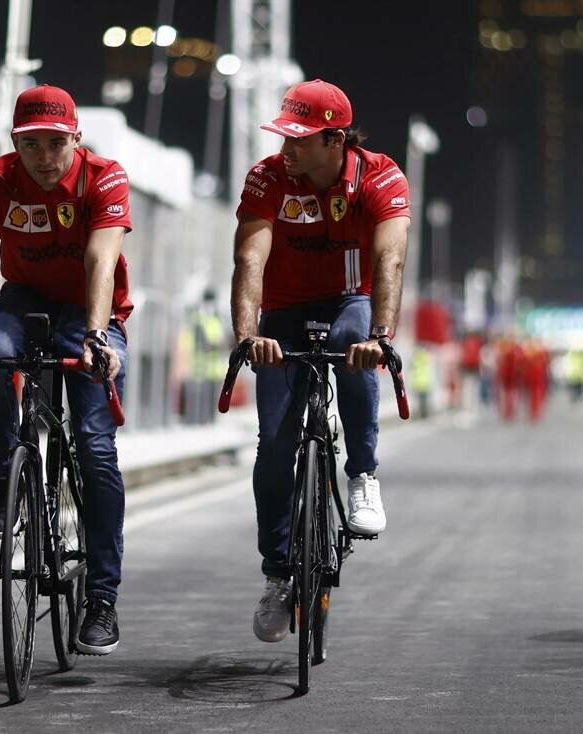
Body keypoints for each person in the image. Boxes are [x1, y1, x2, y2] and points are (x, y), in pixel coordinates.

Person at [0, 85, 132, 656]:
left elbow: (101, 258)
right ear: (14, 143)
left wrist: (97, 335)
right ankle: (8, 471)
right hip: (23, 300)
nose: (43, 158)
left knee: (95, 447)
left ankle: (101, 598)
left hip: (89, 308)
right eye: (30, 145)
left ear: (76, 139)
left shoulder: (106, 177)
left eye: (54, 144)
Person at [229, 79, 411, 643]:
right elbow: (249, 258)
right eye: (284, 137)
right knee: (275, 447)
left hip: (350, 302)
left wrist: (381, 337)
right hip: (281, 312)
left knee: (358, 344)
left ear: (336, 141)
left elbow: (390, 258)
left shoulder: (380, 175)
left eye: (300, 140)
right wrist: (247, 335)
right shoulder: (268, 176)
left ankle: (362, 475)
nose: (287, 150)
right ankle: (278, 573)